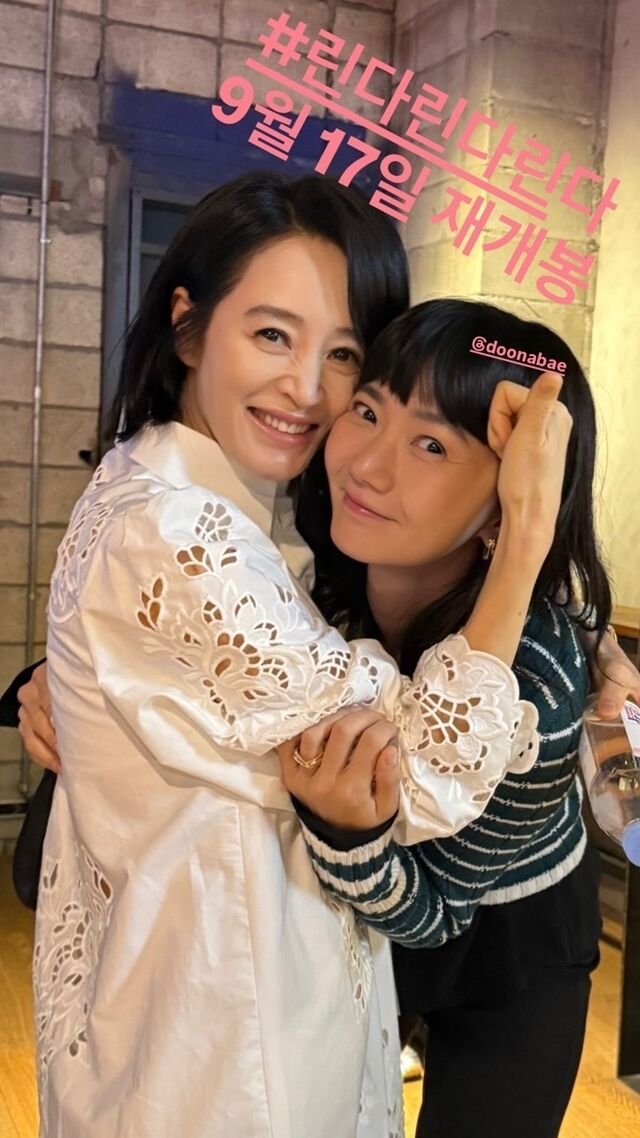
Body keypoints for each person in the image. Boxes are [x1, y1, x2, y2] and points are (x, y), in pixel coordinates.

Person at [13, 170, 575, 1138]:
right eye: (273, 334)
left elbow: (431, 875)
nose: (315, 396)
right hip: (231, 1020)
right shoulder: (267, 525)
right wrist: (56, 678)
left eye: (343, 354)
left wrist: (535, 537)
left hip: (501, 943)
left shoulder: (534, 670)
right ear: (189, 327)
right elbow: (197, 627)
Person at [278, 299, 640, 1138]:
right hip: (375, 922)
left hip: (511, 941)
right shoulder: (322, 568)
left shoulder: (535, 686)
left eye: (433, 444)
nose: (367, 466)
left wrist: (344, 831)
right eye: (368, 410)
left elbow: (433, 911)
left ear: (512, 505)